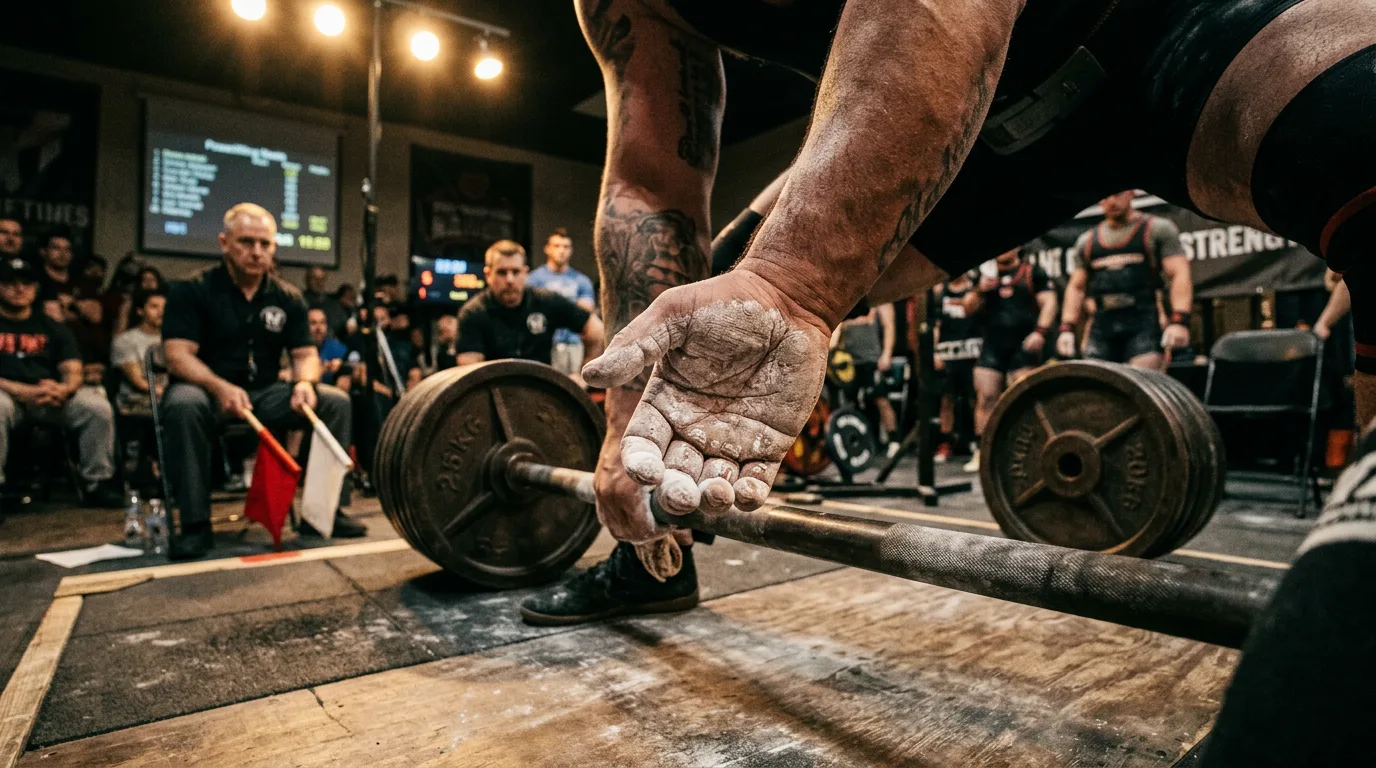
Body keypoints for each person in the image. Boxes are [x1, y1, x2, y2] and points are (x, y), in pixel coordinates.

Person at [523, 0, 1376, 630]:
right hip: (967, 127)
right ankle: (648, 557)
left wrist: (797, 284)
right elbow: (650, 186)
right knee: (710, 307)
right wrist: (627, 418)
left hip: (1164, 23)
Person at [161, 203, 364, 560]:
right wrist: (218, 386)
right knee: (182, 403)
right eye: (246, 242)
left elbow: (305, 355)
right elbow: (177, 355)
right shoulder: (192, 290)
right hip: (208, 391)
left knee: (334, 401)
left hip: (265, 394)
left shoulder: (287, 296)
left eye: (265, 244)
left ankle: (323, 513)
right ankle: (194, 524)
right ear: (225, 243)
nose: (257, 252)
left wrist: (304, 383)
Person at [0, 257, 121, 506]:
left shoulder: (51, 326)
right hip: (8, 394)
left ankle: (97, 483)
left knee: (95, 407)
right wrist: (20, 390)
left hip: (49, 396)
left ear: (35, 289)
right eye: (11, 283)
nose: (19, 289)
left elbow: (73, 368)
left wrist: (65, 389)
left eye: (26, 283)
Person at [1056, 191, 1193, 370]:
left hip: (1143, 322)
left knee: (1142, 386)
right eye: (1106, 196)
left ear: (1131, 193)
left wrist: (1179, 320)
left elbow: (1179, 274)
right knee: (1097, 388)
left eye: (1117, 194)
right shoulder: (1086, 241)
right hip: (1102, 327)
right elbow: (1076, 288)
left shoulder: (1157, 229)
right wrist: (1067, 328)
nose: (1112, 201)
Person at [962, 250, 1058, 472]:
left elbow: (1049, 302)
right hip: (993, 345)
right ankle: (982, 452)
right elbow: (967, 308)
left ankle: (1030, 452)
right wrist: (979, 290)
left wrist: (1041, 332)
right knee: (985, 398)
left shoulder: (1033, 272)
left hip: (1023, 345)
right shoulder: (982, 274)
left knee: (1023, 398)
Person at [455, 240, 606, 375]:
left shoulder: (547, 301)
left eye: (516, 272)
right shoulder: (472, 313)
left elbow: (596, 331)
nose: (510, 280)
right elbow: (470, 374)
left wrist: (582, 377)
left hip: (540, 393)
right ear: (488, 275)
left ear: (525, 273)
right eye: (502, 272)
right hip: (493, 394)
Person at [526, 228, 598, 377]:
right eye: (557, 246)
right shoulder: (533, 280)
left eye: (566, 247)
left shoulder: (581, 281)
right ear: (547, 249)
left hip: (574, 343)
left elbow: (586, 311)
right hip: (544, 344)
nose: (561, 251)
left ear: (571, 250)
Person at [830, 303, 900, 455]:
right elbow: (835, 334)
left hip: (872, 359)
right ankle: (857, 443)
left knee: (880, 398)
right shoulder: (847, 299)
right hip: (848, 361)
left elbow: (889, 326)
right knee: (851, 403)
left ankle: (894, 439)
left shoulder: (882, 302)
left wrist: (887, 354)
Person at [930, 271, 982, 462]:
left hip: (972, 352)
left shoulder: (975, 290)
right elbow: (936, 325)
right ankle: (945, 443)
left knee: (976, 398)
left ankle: (979, 443)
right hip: (948, 353)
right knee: (947, 399)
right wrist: (935, 352)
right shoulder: (941, 292)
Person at [110, 289, 166, 415]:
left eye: (165, 307)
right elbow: (138, 381)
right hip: (136, 401)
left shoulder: (173, 340)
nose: (161, 312)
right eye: (154, 307)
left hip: (166, 397)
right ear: (140, 311)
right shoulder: (125, 341)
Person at [36, 232, 77, 324]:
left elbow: (95, 315)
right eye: (56, 248)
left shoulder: (80, 280)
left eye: (67, 249)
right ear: (43, 252)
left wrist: (73, 302)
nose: (63, 254)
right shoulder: (33, 280)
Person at [308, 307, 350, 388]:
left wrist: (343, 371)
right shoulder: (297, 349)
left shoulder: (337, 348)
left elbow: (351, 368)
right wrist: (324, 368)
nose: (318, 328)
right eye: (313, 323)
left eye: (322, 322)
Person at [302, 266, 347, 338]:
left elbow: (342, 325)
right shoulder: (298, 301)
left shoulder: (334, 304)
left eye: (321, 279)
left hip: (330, 344)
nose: (318, 282)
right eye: (314, 278)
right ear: (307, 280)